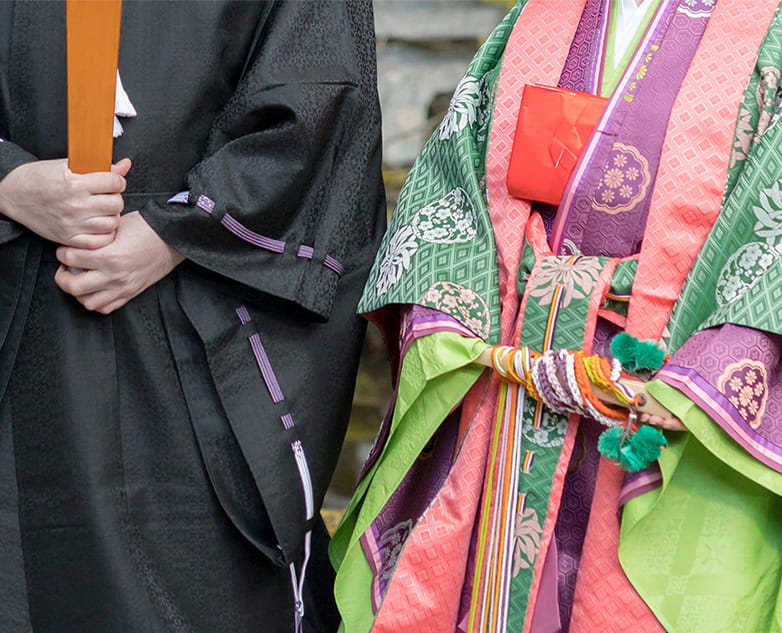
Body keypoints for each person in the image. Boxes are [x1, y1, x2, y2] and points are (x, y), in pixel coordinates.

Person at [330, 1, 782, 632]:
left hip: (652, 387)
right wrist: (458, 317)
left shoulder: (768, 33)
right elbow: (450, 186)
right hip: (512, 376)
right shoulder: (532, 20)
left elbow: (770, 243)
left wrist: (706, 373)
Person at [0, 2, 385, 632]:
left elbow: (320, 99)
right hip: (19, 310)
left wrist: (176, 232)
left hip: (196, 312)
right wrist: (9, 184)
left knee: (195, 585)